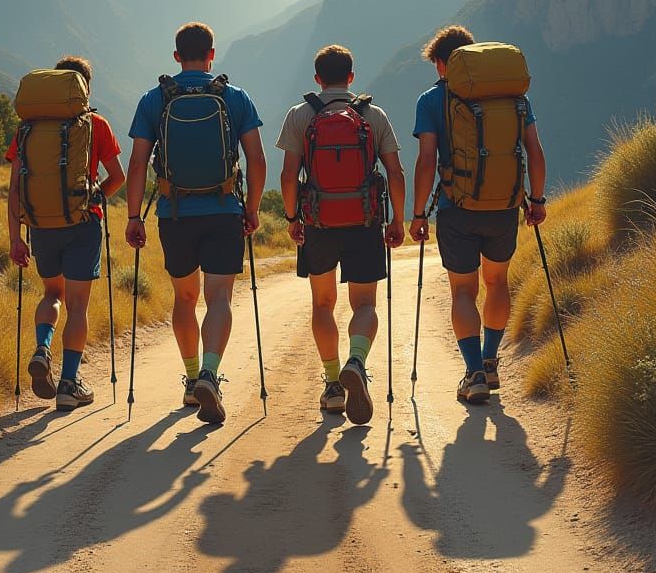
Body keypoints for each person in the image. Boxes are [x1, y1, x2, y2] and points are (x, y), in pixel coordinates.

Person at [125, 22, 267, 425]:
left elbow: (137, 163)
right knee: (219, 297)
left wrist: (135, 216)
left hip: (174, 214)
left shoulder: (155, 99)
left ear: (176, 57)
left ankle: (191, 380)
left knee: (184, 299)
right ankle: (209, 373)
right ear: (212, 54)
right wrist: (251, 209)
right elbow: (256, 160)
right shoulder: (234, 97)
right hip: (224, 211)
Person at [408, 26, 547, 405]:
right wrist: (537, 200)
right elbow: (534, 151)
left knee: (463, 290)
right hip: (504, 205)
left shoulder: (431, 100)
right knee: (497, 281)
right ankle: (490, 359)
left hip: (458, 208)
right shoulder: (514, 97)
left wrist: (418, 213)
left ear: (442, 63)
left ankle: (473, 373)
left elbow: (426, 160)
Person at [277, 44, 406, 424]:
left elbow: (288, 175)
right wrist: (397, 219)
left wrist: (291, 217)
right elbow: (396, 174)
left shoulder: (300, 115)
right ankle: (357, 360)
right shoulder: (373, 115)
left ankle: (334, 385)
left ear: (317, 79)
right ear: (351, 77)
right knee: (364, 305)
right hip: (365, 223)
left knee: (322, 305)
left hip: (319, 223)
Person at [7, 56, 126, 411]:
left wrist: (15, 237)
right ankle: (68, 383)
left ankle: (43, 348)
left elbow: (14, 188)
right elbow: (117, 176)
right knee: (77, 304)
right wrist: (95, 196)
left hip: (42, 226)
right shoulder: (95, 124)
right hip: (82, 224)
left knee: (52, 294)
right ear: (84, 87)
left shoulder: (27, 129)